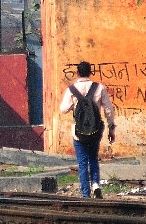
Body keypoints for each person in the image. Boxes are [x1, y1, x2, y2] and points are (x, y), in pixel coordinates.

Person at [59, 61, 116, 199]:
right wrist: (111, 128)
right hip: (95, 131)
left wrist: (75, 104)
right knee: (93, 159)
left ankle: (86, 194)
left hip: (78, 133)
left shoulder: (71, 90)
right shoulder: (99, 88)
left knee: (83, 163)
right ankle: (96, 184)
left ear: (77, 73)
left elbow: (63, 109)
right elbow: (109, 110)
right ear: (90, 72)